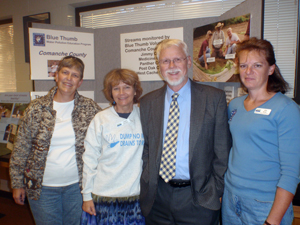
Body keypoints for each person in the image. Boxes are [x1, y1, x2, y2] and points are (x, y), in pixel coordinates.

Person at [139, 39, 231, 225]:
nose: (172, 66)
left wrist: (215, 191)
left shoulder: (213, 98)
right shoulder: (148, 102)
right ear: (159, 67)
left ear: (188, 62)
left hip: (198, 198)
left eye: (177, 60)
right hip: (157, 198)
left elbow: (222, 152)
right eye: (165, 61)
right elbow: (147, 147)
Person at [9, 56, 101, 225]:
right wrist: (17, 183)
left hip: (77, 188)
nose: (69, 78)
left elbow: (103, 143)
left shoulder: (90, 108)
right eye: (65, 72)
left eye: (75, 75)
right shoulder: (36, 108)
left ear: (80, 82)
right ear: (56, 75)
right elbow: (21, 147)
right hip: (42, 188)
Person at [222, 37, 300, 225]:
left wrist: (272, 221)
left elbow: (291, 172)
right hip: (231, 199)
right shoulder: (234, 105)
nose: (248, 72)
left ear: (271, 69)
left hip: (265, 204)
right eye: (243, 66)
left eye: (257, 65)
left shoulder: (286, 109)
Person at [81, 69, 145, 225]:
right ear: (110, 92)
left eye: (127, 87)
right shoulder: (101, 119)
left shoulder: (145, 116)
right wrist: (87, 196)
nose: (122, 92)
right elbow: (89, 159)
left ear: (135, 90)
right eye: (116, 88)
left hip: (136, 197)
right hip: (104, 197)